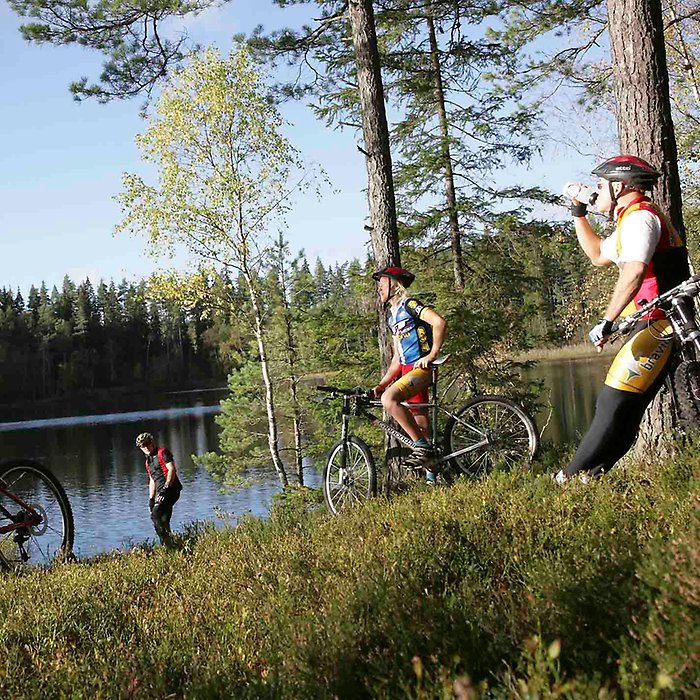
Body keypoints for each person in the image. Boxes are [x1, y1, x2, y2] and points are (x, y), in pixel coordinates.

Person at [556, 155, 690, 483]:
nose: (597, 191)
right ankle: (592, 476)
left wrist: (607, 320)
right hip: (653, 323)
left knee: (613, 401)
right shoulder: (629, 219)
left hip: (659, 322)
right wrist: (578, 212)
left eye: (601, 185)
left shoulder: (640, 219)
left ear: (618, 186)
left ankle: (568, 479)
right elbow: (598, 255)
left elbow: (634, 271)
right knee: (627, 408)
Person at [371, 266, 447, 482]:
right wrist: (382, 383)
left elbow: (439, 322)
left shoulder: (410, 305)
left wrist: (432, 354)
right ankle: (432, 482)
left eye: (382, 284)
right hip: (406, 371)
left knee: (389, 400)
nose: (379, 289)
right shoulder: (391, 316)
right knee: (421, 426)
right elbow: (397, 358)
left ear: (394, 284)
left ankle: (421, 448)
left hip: (420, 370)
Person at [135, 432, 183, 546]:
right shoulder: (148, 462)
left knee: (155, 515)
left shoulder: (163, 453)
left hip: (171, 489)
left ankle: (167, 545)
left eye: (147, 444)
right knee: (164, 519)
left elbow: (171, 469)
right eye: (142, 446)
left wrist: (166, 488)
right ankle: (171, 545)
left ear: (152, 442)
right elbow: (152, 480)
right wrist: (151, 499)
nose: (145, 447)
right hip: (162, 491)